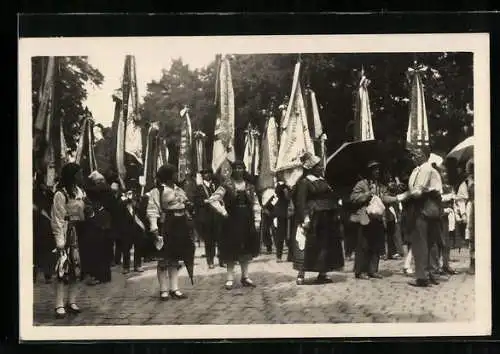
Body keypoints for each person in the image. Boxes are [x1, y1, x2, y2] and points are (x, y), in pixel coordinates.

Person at [205, 160, 261, 290]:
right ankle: (230, 278)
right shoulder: (226, 185)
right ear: (232, 170)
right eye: (236, 168)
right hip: (231, 221)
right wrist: (223, 212)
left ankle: (245, 276)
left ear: (244, 170)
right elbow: (213, 200)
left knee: (246, 249)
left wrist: (257, 220)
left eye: (241, 168)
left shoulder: (250, 186)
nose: (238, 171)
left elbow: (256, 204)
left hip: (247, 220)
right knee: (231, 249)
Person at [293, 152, 344, 285]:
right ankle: (301, 274)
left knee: (325, 245)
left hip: (326, 216)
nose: (321, 168)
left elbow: (330, 196)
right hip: (313, 217)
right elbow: (301, 202)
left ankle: (323, 273)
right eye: (318, 166)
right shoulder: (304, 182)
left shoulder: (324, 181)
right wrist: (304, 218)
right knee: (308, 245)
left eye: (321, 166)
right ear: (311, 168)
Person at [146, 163, 194, 300]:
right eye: (174, 173)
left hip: (180, 224)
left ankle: (174, 288)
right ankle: (163, 290)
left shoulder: (179, 189)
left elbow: (185, 203)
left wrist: (188, 207)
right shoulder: (157, 191)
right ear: (167, 175)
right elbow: (152, 210)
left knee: (175, 258)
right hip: (167, 224)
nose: (176, 175)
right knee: (163, 259)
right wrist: (154, 228)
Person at [350, 161, 399, 280]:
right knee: (363, 245)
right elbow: (353, 198)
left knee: (376, 244)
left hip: (377, 218)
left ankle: (373, 270)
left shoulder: (380, 185)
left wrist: (396, 198)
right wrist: (367, 194)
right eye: (374, 169)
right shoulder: (361, 184)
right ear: (369, 171)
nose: (377, 171)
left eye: (378, 169)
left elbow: (384, 198)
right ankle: (360, 271)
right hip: (365, 218)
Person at [50, 163, 86, 318]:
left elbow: (83, 213)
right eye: (80, 173)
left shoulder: (80, 192)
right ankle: (59, 304)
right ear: (73, 175)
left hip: (79, 233)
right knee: (62, 269)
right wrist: (60, 241)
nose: (82, 176)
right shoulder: (60, 194)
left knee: (76, 268)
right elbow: (57, 218)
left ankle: (71, 301)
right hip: (65, 233)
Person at [406, 147, 443, 287]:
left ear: (424, 156)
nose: (413, 157)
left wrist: (402, 196)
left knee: (420, 242)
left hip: (422, 207)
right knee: (431, 242)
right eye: (412, 155)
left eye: (416, 154)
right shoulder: (422, 170)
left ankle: (422, 277)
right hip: (432, 208)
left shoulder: (425, 169)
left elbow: (417, 191)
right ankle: (432, 273)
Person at [193, 168, 222, 269]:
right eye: (205, 173)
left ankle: (222, 260)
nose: (207, 175)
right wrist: (205, 201)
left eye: (209, 173)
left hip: (217, 216)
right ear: (202, 176)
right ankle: (210, 260)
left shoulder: (216, 186)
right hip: (206, 217)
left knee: (219, 238)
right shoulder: (199, 188)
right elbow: (196, 201)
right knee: (209, 240)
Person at [436, 165, 458, 275]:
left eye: (445, 172)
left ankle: (445, 264)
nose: (444, 175)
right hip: (440, 216)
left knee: (447, 243)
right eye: (442, 172)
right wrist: (444, 208)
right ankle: (438, 266)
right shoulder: (437, 187)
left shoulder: (449, 187)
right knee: (440, 242)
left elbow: (453, 201)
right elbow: (437, 202)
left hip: (448, 217)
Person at [457, 158, 474, 274]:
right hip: (473, 209)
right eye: (472, 167)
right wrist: (463, 214)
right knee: (473, 237)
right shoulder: (467, 183)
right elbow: (461, 199)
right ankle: (473, 262)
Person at [273, 181, 295, 263]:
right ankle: (279, 256)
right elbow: (278, 192)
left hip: (292, 211)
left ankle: (291, 255)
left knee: (291, 234)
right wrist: (285, 187)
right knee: (280, 234)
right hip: (282, 211)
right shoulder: (280, 184)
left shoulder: (294, 183)